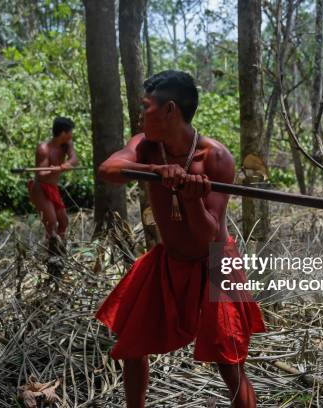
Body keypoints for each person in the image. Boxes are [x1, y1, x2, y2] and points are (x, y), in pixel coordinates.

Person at [96, 70, 266, 408]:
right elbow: (109, 169)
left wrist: (191, 197)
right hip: (168, 260)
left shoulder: (215, 157)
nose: (141, 114)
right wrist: (156, 172)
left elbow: (207, 237)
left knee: (229, 363)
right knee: (133, 345)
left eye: (146, 107)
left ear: (170, 109)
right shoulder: (145, 146)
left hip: (215, 263)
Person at [28, 117, 78, 248]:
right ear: (63, 133)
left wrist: (66, 165)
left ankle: (59, 248)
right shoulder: (44, 149)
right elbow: (41, 175)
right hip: (40, 188)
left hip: (53, 188)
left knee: (64, 222)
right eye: (70, 132)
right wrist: (54, 170)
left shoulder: (67, 144)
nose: (71, 135)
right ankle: (52, 253)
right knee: (52, 222)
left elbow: (74, 159)